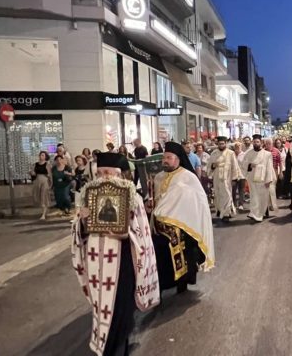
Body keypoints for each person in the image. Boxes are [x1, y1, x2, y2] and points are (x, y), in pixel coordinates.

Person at [72, 151, 159, 356]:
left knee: (120, 307)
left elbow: (142, 233)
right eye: (100, 173)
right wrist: (83, 220)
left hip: (123, 261)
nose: (104, 177)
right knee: (101, 306)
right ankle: (105, 345)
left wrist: (124, 234)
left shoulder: (133, 197)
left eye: (108, 173)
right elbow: (79, 234)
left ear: (119, 174)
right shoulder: (88, 196)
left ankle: (118, 348)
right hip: (96, 262)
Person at [152, 142, 215, 293]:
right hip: (160, 226)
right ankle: (163, 284)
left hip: (183, 225)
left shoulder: (188, 177)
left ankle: (182, 282)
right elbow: (158, 200)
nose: (165, 160)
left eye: (169, 157)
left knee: (185, 255)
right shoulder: (158, 177)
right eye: (164, 158)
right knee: (161, 256)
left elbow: (198, 201)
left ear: (178, 159)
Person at [207, 136, 242, 222]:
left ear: (225, 144)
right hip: (217, 177)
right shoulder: (214, 153)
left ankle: (226, 213)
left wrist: (234, 178)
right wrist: (213, 166)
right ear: (217, 144)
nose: (221, 145)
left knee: (227, 194)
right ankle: (221, 210)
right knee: (218, 194)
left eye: (223, 144)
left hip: (227, 178)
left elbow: (234, 166)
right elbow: (209, 165)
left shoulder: (230, 153)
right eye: (219, 144)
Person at [244, 134, 275, 223]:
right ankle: (255, 214)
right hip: (252, 179)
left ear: (261, 143)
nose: (256, 143)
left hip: (263, 179)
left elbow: (269, 167)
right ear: (252, 142)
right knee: (254, 197)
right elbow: (244, 165)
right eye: (254, 142)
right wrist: (249, 165)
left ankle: (262, 212)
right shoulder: (248, 153)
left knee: (263, 197)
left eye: (257, 142)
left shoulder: (267, 154)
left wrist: (269, 179)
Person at [30, 150, 51, 220]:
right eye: (40, 155)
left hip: (44, 180)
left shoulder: (47, 165)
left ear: (45, 157)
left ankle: (43, 214)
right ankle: (44, 210)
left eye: (42, 155)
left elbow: (50, 175)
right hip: (37, 180)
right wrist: (32, 173)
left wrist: (50, 183)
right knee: (37, 196)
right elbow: (32, 172)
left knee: (44, 196)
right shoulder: (35, 164)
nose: (41, 156)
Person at [264, 137, 281, 211]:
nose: (268, 145)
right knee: (267, 188)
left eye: (269, 143)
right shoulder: (263, 151)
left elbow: (280, 162)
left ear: (272, 143)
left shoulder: (276, 151)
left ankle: (273, 204)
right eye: (267, 143)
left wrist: (280, 172)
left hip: (275, 171)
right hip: (266, 171)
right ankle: (268, 204)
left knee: (273, 188)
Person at [231, 141, 247, 210]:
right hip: (233, 175)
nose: (237, 147)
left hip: (242, 175)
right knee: (233, 190)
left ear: (241, 147)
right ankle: (234, 204)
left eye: (239, 146)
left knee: (241, 190)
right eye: (236, 146)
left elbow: (246, 165)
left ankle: (241, 204)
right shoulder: (232, 154)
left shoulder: (244, 155)